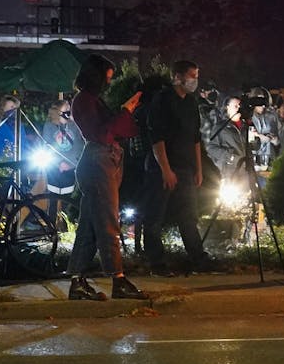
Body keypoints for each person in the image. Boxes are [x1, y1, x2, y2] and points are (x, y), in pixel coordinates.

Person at [66, 54, 148, 301]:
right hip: (98, 162)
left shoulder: (91, 99)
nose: (109, 82)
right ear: (96, 76)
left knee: (90, 225)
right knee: (107, 222)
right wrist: (124, 111)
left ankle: (77, 282)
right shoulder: (84, 101)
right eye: (107, 77)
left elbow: (116, 129)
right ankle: (118, 279)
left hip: (104, 161)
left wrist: (128, 112)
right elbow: (102, 133)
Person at [142, 60, 217, 275]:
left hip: (186, 168)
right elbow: (157, 136)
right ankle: (156, 263)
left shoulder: (191, 102)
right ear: (178, 77)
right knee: (155, 217)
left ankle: (198, 259)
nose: (195, 80)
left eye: (196, 75)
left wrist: (199, 169)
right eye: (192, 76)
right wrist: (165, 169)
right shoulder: (162, 100)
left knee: (188, 216)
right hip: (163, 168)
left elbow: (195, 138)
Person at [39, 100, 84, 198]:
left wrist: (70, 163)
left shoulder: (74, 126)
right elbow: (47, 146)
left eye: (69, 108)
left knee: (68, 199)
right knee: (52, 198)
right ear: (58, 111)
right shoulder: (49, 126)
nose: (69, 111)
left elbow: (79, 146)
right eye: (66, 109)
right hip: (54, 168)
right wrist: (59, 163)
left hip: (71, 167)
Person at [205, 96, 248, 184]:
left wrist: (256, 140)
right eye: (235, 106)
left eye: (240, 106)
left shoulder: (246, 126)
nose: (238, 108)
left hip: (245, 170)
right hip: (229, 171)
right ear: (227, 107)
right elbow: (211, 148)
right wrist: (230, 157)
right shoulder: (221, 127)